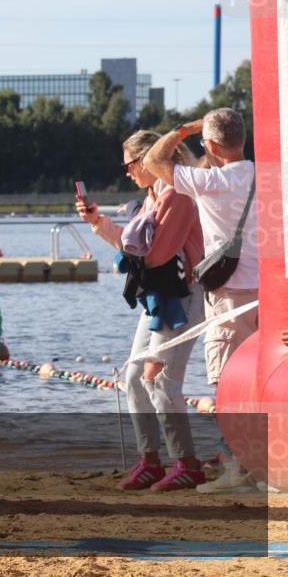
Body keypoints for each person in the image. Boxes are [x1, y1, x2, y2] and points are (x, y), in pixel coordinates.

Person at [78, 130, 206, 492]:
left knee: (161, 379)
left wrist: (131, 244)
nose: (128, 172)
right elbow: (139, 248)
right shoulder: (153, 197)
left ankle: (188, 464)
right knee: (133, 377)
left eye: (130, 164)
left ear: (150, 160)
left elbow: (155, 254)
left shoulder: (177, 195)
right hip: (158, 298)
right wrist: (98, 222)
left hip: (182, 298)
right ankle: (150, 460)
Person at [144, 109, 260, 494]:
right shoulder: (269, 176)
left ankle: (241, 472)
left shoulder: (211, 181)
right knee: (266, 383)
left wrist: (182, 130)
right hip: (273, 294)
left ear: (210, 145)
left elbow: (153, 161)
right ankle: (266, 469)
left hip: (229, 297)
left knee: (231, 386)